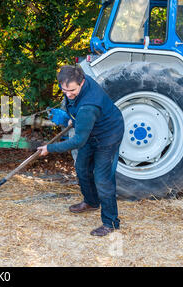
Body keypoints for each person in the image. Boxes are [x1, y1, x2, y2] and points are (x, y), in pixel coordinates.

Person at [38, 65, 124, 237]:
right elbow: (74, 109)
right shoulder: (75, 83)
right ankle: (91, 202)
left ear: (82, 82)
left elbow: (78, 140)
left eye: (72, 90)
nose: (68, 94)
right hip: (90, 130)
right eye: (64, 90)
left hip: (108, 135)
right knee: (82, 168)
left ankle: (111, 223)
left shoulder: (89, 105)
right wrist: (72, 119)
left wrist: (50, 148)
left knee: (103, 179)